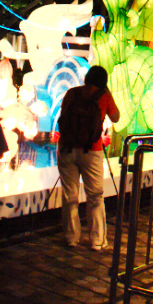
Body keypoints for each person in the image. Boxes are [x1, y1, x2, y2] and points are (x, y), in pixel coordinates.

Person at [57, 65, 120, 250]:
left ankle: (71, 237)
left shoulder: (72, 93)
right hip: (91, 150)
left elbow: (64, 115)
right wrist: (106, 93)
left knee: (70, 195)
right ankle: (97, 240)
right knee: (95, 196)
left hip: (67, 148)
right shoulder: (104, 96)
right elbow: (116, 118)